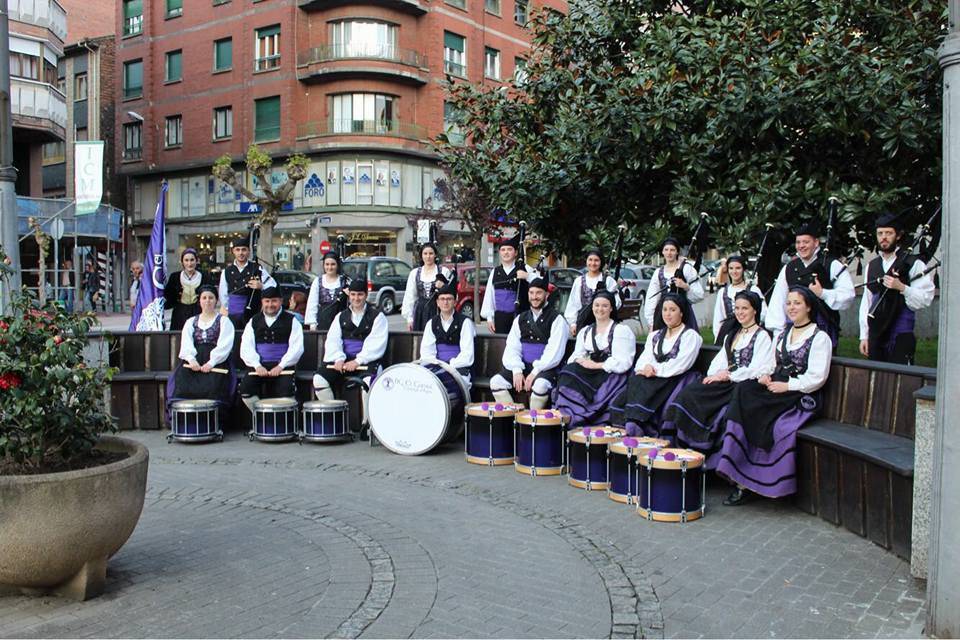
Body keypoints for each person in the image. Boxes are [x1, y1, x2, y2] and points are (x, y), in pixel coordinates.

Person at [716, 286, 832, 505]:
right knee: (744, 390)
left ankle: (754, 480)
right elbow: (772, 363)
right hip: (777, 387)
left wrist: (787, 386)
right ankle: (737, 471)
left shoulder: (820, 338)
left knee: (770, 420)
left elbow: (817, 377)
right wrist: (766, 376)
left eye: (797, 303)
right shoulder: (783, 334)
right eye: (788, 303)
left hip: (800, 394)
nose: (791, 307)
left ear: (808, 306)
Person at [668, 291, 774, 454]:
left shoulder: (762, 336)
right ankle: (683, 442)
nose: (740, 312)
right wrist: (718, 374)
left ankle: (707, 447)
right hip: (726, 382)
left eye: (744, 308)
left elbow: (760, 368)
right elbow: (717, 364)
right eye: (737, 308)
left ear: (755, 310)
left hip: (744, 386)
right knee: (690, 392)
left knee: (721, 410)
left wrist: (729, 375)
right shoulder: (731, 336)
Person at [610, 292, 703, 439]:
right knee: (636, 379)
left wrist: (655, 370)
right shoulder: (655, 335)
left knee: (645, 383)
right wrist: (647, 367)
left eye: (673, 310)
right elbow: (645, 357)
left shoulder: (691, 336)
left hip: (674, 377)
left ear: (682, 312)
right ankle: (632, 423)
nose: (668, 314)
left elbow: (681, 363)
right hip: (652, 374)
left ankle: (641, 425)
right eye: (665, 309)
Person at [313, 279, 389, 439]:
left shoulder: (378, 316)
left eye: (360, 295)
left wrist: (357, 361)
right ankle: (335, 419)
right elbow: (333, 340)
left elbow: (375, 344)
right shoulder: (341, 316)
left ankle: (367, 424)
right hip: (343, 361)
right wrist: (338, 359)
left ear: (366, 295)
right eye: (353, 295)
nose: (356, 298)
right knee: (319, 379)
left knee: (369, 382)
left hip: (368, 361)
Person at [858, 213, 936, 365]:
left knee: (902, 380)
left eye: (889, 233)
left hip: (900, 335)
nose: (884, 237)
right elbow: (866, 302)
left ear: (898, 236)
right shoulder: (871, 266)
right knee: (877, 379)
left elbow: (925, 298)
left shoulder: (913, 263)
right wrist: (864, 336)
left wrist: (902, 287)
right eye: (880, 233)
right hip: (876, 335)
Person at [765, 221, 855, 349]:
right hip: (794, 330)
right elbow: (778, 301)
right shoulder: (789, 268)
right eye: (798, 242)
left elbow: (848, 296)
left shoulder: (832, 264)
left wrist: (822, 293)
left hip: (823, 328)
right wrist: (778, 335)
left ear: (816, 243)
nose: (801, 246)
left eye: (805, 242)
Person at [554, 290, 636, 427]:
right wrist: (581, 362)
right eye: (597, 305)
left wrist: (595, 365)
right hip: (589, 371)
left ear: (611, 308)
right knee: (568, 370)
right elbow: (576, 355)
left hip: (610, 373)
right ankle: (566, 414)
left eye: (604, 306)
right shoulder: (585, 331)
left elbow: (623, 362)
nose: (600, 309)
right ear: (592, 307)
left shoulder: (621, 330)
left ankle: (582, 417)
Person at [489, 272, 569, 410]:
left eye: (538, 293)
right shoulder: (520, 318)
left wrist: (534, 372)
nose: (534, 297)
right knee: (496, 382)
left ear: (547, 295)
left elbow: (554, 352)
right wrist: (516, 370)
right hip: (524, 366)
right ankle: (515, 418)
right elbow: (512, 347)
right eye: (531, 293)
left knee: (540, 385)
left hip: (546, 368)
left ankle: (532, 423)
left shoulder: (557, 320)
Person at [167, 285, 236, 410]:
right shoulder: (191, 321)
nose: (207, 301)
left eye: (211, 298)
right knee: (182, 382)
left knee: (214, 385)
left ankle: (215, 423)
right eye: (204, 298)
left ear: (216, 301)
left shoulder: (224, 321)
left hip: (218, 362)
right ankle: (186, 421)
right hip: (194, 361)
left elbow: (224, 346)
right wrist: (192, 360)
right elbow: (186, 343)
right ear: (199, 301)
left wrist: (211, 363)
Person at [238, 287, 304, 414]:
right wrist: (257, 366)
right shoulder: (254, 321)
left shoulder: (292, 321)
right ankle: (263, 418)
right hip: (258, 366)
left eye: (274, 301)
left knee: (286, 390)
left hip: (283, 367)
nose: (270, 305)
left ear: (280, 301)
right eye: (267, 301)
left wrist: (281, 366)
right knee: (246, 389)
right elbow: (246, 346)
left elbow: (296, 348)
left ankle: (283, 424)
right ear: (262, 302)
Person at [420, 278, 476, 390]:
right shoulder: (431, 323)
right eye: (442, 299)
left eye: (449, 299)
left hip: (459, 368)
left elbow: (467, 354)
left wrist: (449, 365)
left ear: (455, 301)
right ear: (437, 302)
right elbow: (427, 352)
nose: (445, 302)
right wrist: (437, 365)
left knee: (452, 387)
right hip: (437, 368)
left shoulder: (465, 323)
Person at [481, 233, 541, 334]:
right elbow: (489, 296)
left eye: (509, 249)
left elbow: (540, 283)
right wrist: (489, 319)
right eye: (503, 250)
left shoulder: (525, 268)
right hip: (500, 319)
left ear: (516, 252)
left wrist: (527, 276)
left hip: (521, 318)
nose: (506, 253)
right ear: (499, 252)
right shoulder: (495, 272)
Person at [643, 238, 704, 330]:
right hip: (663, 315)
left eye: (672, 250)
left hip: (683, 314)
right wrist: (652, 321)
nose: (669, 253)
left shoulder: (686, 269)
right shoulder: (658, 272)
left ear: (677, 252)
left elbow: (699, 294)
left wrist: (685, 286)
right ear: (662, 252)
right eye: (666, 250)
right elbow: (652, 297)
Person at [219, 237, 277, 330]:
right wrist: (227, 309)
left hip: (254, 311)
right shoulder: (226, 271)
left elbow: (273, 285)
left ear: (249, 251)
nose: (241, 253)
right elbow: (223, 294)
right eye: (237, 250)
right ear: (233, 251)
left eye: (244, 250)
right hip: (234, 312)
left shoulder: (257, 268)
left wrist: (261, 286)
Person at [712, 255, 766, 345]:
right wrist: (718, 338)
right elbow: (718, 318)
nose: (734, 271)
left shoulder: (753, 290)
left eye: (738, 268)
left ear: (743, 269)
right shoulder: (723, 292)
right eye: (731, 268)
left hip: (749, 333)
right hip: (727, 333)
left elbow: (763, 313)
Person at [564, 249, 621, 335]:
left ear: (601, 262)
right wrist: (573, 323)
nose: (593, 263)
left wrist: (605, 301)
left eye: (596, 260)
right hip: (584, 323)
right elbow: (573, 304)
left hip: (605, 324)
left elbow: (617, 303)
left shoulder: (608, 281)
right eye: (590, 260)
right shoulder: (579, 281)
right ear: (586, 261)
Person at [402, 242, 453, 331]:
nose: (428, 256)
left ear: (435, 255)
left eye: (431, 253)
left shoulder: (443, 271)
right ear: (421, 256)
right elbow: (410, 296)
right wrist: (409, 319)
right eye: (425, 254)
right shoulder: (415, 273)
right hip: (420, 311)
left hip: (438, 310)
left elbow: (451, 294)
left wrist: (443, 287)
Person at [164, 249, 212, 331]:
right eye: (186, 260)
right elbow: (168, 294)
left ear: (197, 261)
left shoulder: (204, 276)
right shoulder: (174, 276)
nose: (189, 263)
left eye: (192, 260)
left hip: (199, 311)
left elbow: (211, 293)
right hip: (180, 312)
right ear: (182, 262)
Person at [304, 250, 350, 331]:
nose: (330, 267)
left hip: (341, 322)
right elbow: (312, 302)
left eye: (333, 264)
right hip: (323, 321)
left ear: (337, 265)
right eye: (327, 264)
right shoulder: (318, 281)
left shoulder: (345, 281)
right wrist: (312, 323)